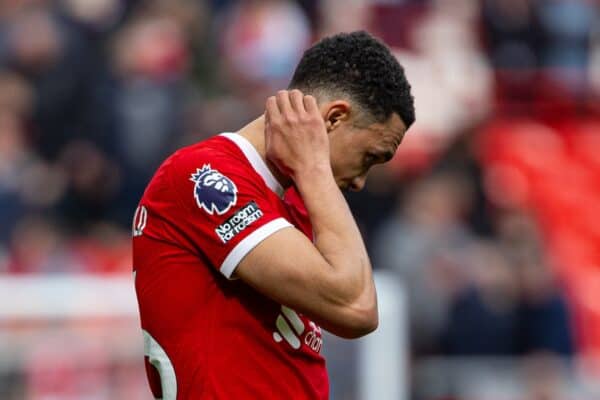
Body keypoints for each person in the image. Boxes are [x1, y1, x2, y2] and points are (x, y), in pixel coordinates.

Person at [132, 31, 415, 400]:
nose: (361, 181)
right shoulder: (202, 175)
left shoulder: (296, 205)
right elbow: (357, 306)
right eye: (370, 157)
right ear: (333, 119)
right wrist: (314, 166)